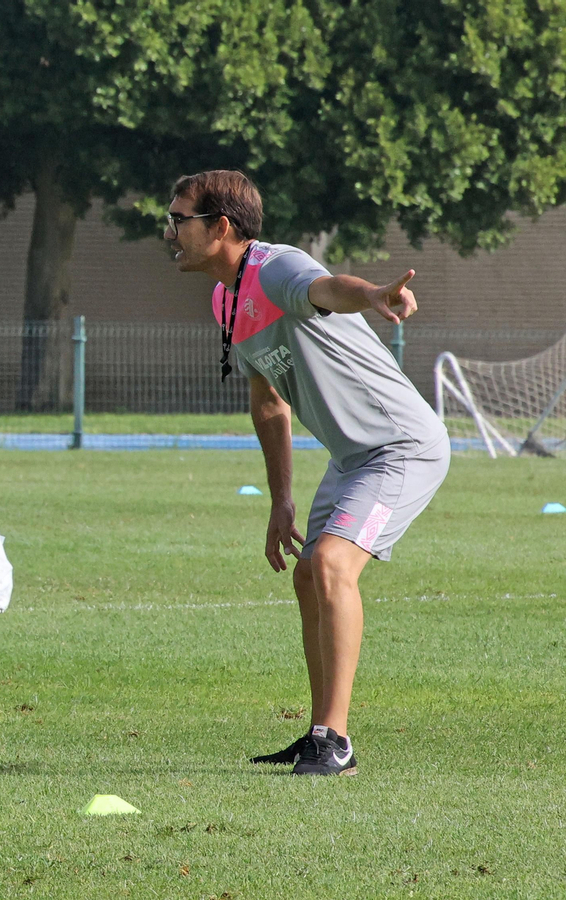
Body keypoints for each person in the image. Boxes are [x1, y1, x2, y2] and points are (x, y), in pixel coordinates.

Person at [166, 170, 449, 776]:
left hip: (401, 447)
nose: (170, 231)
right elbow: (269, 403)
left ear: (220, 227)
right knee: (307, 578)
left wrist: (371, 293)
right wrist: (281, 500)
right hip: (354, 458)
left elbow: (326, 287)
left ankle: (337, 743)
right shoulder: (225, 298)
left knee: (330, 565)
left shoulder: (273, 268)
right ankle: (322, 731)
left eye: (179, 220)